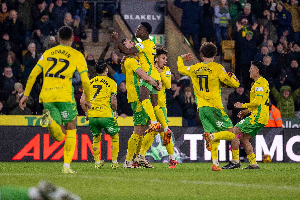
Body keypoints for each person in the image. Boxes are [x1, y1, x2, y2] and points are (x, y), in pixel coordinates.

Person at [19, 26, 91, 174]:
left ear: (58, 39)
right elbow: (85, 81)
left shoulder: (47, 53)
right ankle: (66, 166)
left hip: (47, 96)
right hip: (65, 96)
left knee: (58, 136)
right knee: (71, 129)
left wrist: (25, 94)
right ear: (72, 39)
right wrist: (87, 99)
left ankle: (50, 121)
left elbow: (32, 75)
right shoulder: (77, 55)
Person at [178, 42, 240, 171]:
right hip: (214, 107)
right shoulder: (217, 68)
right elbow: (232, 84)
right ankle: (212, 138)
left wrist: (181, 58)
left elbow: (180, 69)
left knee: (212, 131)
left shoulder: (195, 68)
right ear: (215, 54)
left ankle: (215, 163)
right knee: (232, 134)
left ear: (202, 55)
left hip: (201, 109)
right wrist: (235, 80)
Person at [112, 22, 172, 144]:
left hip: (146, 81)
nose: (137, 30)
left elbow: (127, 51)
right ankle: (165, 134)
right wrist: (123, 59)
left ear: (145, 31)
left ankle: (132, 159)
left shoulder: (143, 45)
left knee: (139, 130)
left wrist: (116, 39)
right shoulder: (139, 53)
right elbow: (127, 58)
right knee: (154, 107)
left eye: (140, 29)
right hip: (151, 77)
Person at [119, 38, 160, 169]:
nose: (133, 43)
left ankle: (138, 158)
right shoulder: (130, 61)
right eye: (129, 42)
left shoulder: (131, 60)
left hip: (139, 98)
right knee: (139, 130)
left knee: (148, 129)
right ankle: (129, 161)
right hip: (138, 99)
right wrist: (155, 83)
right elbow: (143, 75)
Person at [136, 46, 178, 168]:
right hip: (150, 106)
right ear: (156, 58)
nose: (165, 61)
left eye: (166, 58)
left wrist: (160, 72)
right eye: (163, 58)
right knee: (157, 131)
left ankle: (171, 158)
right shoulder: (149, 70)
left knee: (162, 131)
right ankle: (141, 156)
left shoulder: (166, 70)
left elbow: (169, 85)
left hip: (161, 106)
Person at [223, 61, 269, 170]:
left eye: (251, 68)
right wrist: (246, 111)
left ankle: (235, 161)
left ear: (257, 70)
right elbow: (260, 103)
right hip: (261, 116)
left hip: (257, 116)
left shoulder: (258, 84)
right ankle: (253, 163)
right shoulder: (262, 82)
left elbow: (257, 102)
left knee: (234, 131)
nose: (249, 70)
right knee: (244, 138)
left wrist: (242, 105)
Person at [80, 60, 120, 169]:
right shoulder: (111, 82)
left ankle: (97, 163)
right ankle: (114, 162)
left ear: (96, 70)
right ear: (106, 70)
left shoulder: (89, 82)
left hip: (93, 115)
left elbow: (82, 100)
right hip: (106, 114)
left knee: (96, 138)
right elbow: (113, 101)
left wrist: (87, 113)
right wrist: (115, 111)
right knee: (114, 136)